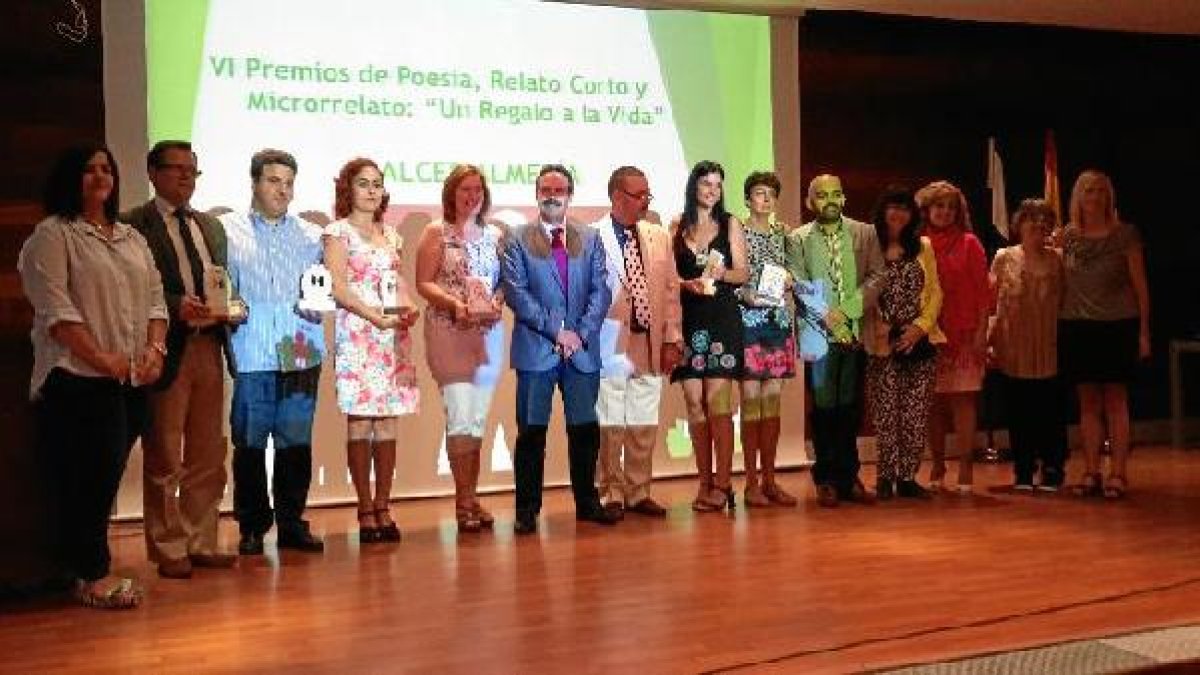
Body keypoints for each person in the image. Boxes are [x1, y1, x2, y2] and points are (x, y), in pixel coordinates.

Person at [18, 144, 166, 608]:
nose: (100, 176)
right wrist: (103, 359)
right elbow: (56, 313)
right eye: (89, 169)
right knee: (89, 479)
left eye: (106, 168)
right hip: (77, 379)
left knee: (104, 478)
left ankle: (85, 569)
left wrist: (156, 349)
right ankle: (92, 574)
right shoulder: (53, 235)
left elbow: (156, 300)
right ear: (70, 177)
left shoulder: (130, 236)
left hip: (130, 380)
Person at [123, 141, 240, 579]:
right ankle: (168, 545)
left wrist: (230, 306)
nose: (186, 177)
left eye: (193, 170)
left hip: (210, 344)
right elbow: (132, 291)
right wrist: (176, 306)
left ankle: (200, 539)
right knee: (165, 454)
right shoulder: (134, 225)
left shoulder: (210, 226)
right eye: (176, 169)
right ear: (153, 173)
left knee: (208, 454)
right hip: (166, 347)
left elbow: (219, 282)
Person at [502, 164, 617, 534]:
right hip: (538, 350)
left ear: (570, 194)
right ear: (537, 194)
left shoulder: (590, 237)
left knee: (584, 430)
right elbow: (517, 293)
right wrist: (558, 333)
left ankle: (587, 504)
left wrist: (579, 334)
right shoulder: (516, 239)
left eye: (560, 188)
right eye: (547, 188)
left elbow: (601, 291)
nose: (553, 194)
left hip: (581, 352)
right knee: (532, 433)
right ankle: (527, 511)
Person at [221, 149, 325, 554]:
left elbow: (323, 287)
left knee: (295, 442)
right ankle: (251, 525)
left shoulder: (311, 235)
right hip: (251, 351)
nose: (282, 190)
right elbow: (219, 287)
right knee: (249, 443)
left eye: (288, 182)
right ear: (254, 183)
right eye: (273, 181)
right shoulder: (226, 231)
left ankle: (291, 522)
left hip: (300, 350)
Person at [324, 158, 420, 542]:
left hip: (393, 335)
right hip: (361, 333)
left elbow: (397, 284)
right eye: (363, 183)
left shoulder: (392, 235)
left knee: (388, 421)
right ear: (349, 188)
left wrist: (409, 306)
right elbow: (338, 288)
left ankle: (384, 505)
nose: (372, 190)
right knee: (361, 420)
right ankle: (364, 508)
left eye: (377, 184)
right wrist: (374, 318)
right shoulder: (337, 232)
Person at [415, 164, 506, 532]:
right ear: (451, 193)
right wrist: (455, 304)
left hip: (486, 337)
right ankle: (462, 502)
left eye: (477, 190)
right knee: (461, 415)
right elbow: (423, 282)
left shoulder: (495, 234)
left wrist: (498, 300)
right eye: (465, 189)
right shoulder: (436, 232)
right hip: (450, 333)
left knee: (478, 419)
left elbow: (503, 283)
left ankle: (472, 497)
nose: (472, 196)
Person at [786, 174, 883, 507]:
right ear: (809, 202)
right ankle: (826, 478)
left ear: (843, 199)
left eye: (835, 194)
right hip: (818, 335)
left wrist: (847, 311)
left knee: (850, 408)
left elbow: (877, 275)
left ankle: (849, 476)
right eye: (821, 195)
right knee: (824, 409)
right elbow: (797, 281)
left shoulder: (864, 232)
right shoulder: (797, 239)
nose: (829, 200)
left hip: (855, 332)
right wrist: (828, 316)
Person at [592, 166, 683, 520]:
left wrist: (673, 337)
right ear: (617, 196)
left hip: (650, 338)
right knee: (611, 419)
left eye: (648, 194)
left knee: (644, 417)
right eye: (638, 195)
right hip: (611, 340)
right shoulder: (591, 236)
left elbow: (672, 289)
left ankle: (638, 490)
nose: (645, 201)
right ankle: (611, 491)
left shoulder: (658, 236)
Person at [1059, 170, 1150, 499]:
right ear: (1077, 197)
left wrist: (1144, 332)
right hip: (1077, 326)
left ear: (1108, 196)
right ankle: (1091, 470)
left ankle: (1119, 473)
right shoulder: (1067, 236)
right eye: (1087, 190)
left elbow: (1140, 287)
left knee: (1115, 401)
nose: (1093, 196)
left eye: (1099, 190)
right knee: (1087, 403)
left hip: (1117, 324)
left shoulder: (1125, 234)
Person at [671, 161, 750, 512]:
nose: (712, 191)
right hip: (689, 320)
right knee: (693, 403)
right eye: (706, 184)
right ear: (694, 186)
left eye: (718, 185)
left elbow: (743, 274)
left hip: (721, 318)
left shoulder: (730, 222)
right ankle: (703, 484)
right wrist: (684, 283)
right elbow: (669, 278)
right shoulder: (676, 226)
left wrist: (722, 272)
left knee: (718, 404)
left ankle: (724, 484)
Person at [862, 186, 944, 499]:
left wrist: (919, 328)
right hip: (882, 341)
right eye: (892, 207)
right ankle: (885, 476)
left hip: (917, 340)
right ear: (882, 212)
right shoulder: (870, 245)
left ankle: (908, 477)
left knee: (915, 411)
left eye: (905, 208)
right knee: (886, 413)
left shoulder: (923, 246)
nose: (898, 214)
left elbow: (936, 292)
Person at [915, 180, 990, 494]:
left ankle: (966, 467)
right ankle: (937, 463)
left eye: (950, 207)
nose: (944, 212)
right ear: (928, 210)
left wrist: (981, 334)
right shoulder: (916, 243)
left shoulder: (970, 243)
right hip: (929, 333)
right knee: (933, 404)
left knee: (963, 401)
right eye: (938, 206)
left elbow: (984, 293)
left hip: (964, 333)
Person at [989, 198, 1067, 491]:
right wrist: (990, 341)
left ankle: (1052, 467)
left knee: (1049, 410)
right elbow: (991, 303)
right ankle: (1022, 468)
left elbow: (1065, 301)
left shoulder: (1058, 258)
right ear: (1018, 224)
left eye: (1043, 219)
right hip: (1014, 345)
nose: (1037, 224)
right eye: (1030, 218)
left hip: (1048, 344)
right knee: (1018, 411)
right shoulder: (1004, 256)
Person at [736, 171, 798, 507]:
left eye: (771, 194)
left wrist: (791, 278)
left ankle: (771, 479)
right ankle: (750, 482)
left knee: (772, 401)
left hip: (777, 323)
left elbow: (797, 271)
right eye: (759, 193)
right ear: (748, 199)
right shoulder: (738, 232)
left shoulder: (784, 233)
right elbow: (727, 277)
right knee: (750, 399)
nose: (765, 199)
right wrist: (745, 295)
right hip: (748, 323)